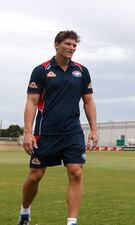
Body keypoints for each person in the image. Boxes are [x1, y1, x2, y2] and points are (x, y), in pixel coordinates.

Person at [18, 30, 98, 225]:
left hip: (72, 132)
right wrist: (28, 133)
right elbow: (31, 101)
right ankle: (25, 212)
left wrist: (94, 130)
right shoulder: (42, 70)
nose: (72, 48)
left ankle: (72, 222)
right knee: (35, 176)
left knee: (76, 172)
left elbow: (88, 101)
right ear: (57, 45)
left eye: (74, 45)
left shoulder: (81, 71)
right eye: (68, 44)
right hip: (45, 133)